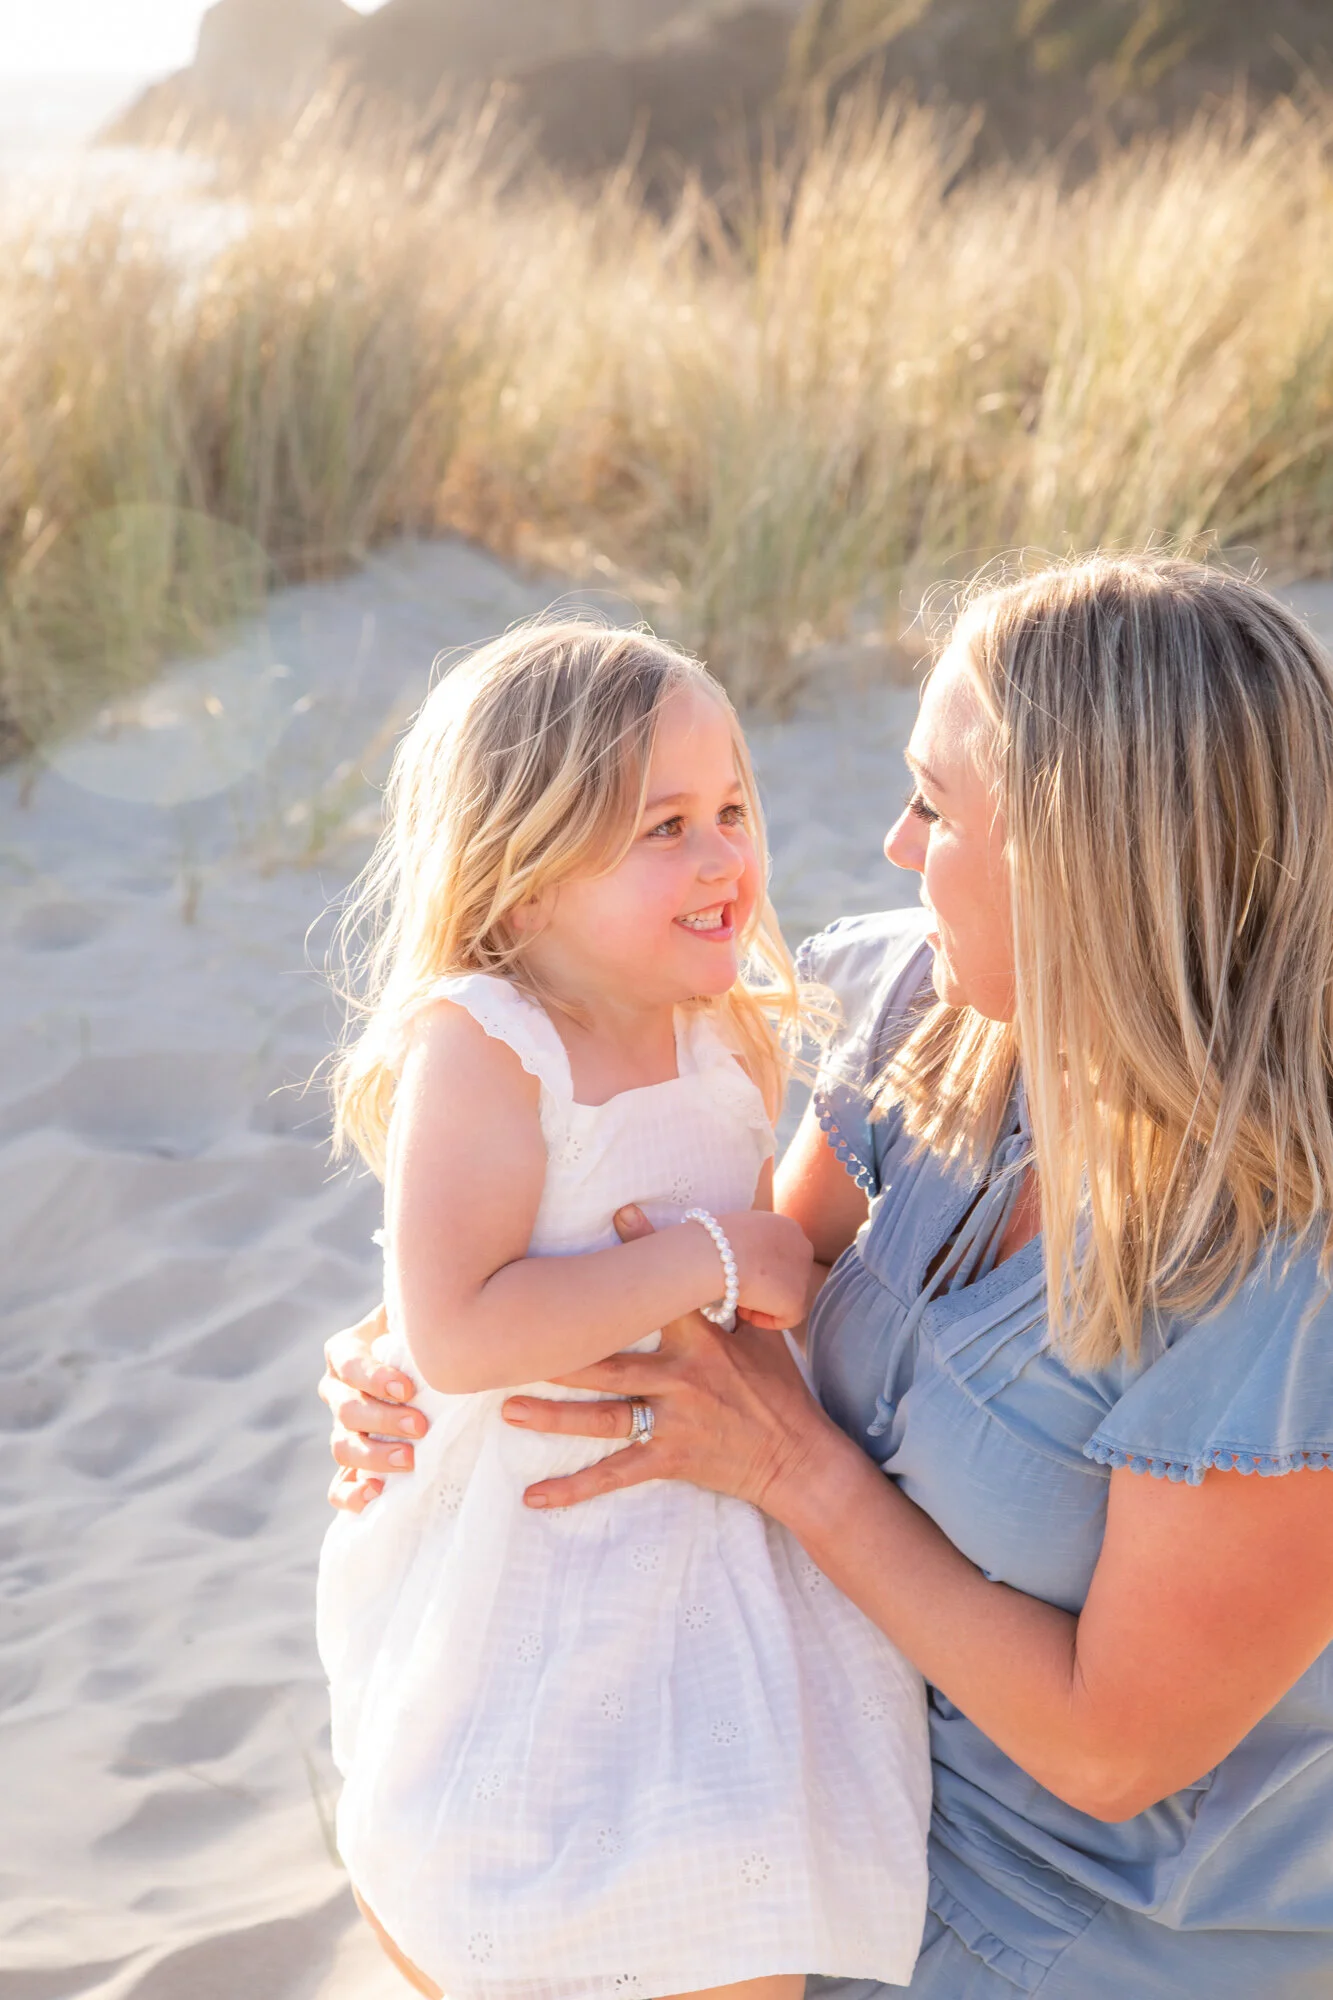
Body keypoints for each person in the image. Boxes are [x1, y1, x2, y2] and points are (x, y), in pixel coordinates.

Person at [323, 556, 1333, 1998]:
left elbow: (1114, 1749)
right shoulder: (934, 1014)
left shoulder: (1289, 1267)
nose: (894, 844)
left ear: (1085, 857)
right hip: (813, 1794)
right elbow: (711, 1274)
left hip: (1081, 1929)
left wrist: (802, 1472)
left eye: (938, 806)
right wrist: (415, 1358)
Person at [315, 621, 932, 2000]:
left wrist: (751, 1264)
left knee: (728, 1900)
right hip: (539, 1542)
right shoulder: (486, 1041)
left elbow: (747, 1257)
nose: (725, 859)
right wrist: (719, 1254)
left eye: (731, 812)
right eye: (665, 827)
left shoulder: (728, 1031)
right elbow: (462, 1328)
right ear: (523, 882)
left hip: (701, 1542)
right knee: (529, 1889)